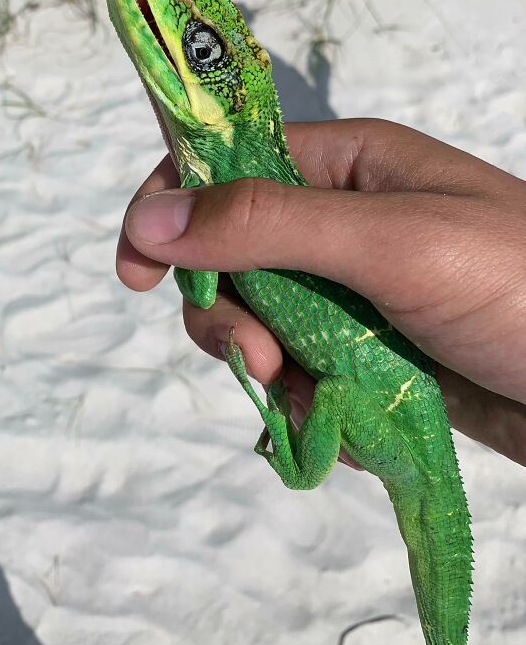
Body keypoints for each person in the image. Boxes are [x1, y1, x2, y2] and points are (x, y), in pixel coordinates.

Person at [116, 118, 526, 467]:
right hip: (412, 407)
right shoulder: (254, 169)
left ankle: (305, 473)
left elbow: (203, 294)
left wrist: (187, 255)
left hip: (403, 428)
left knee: (329, 394)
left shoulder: (237, 176)